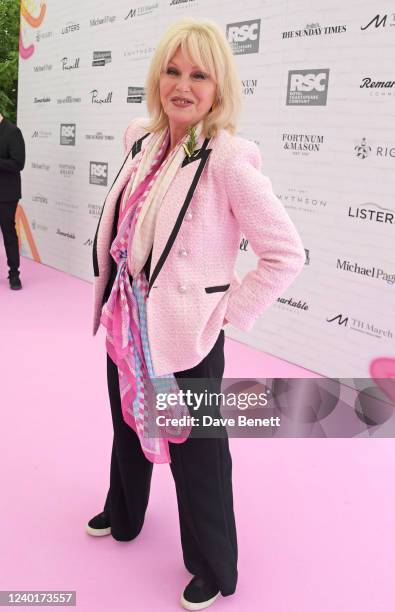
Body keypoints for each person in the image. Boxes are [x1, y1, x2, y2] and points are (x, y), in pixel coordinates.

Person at [88, 17, 305, 611]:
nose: (183, 85)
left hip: (185, 335)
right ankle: (125, 513)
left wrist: (222, 314)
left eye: (199, 75)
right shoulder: (142, 137)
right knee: (129, 424)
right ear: (158, 75)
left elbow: (285, 254)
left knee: (199, 458)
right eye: (173, 70)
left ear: (219, 86)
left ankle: (213, 563)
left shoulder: (230, 159)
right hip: (128, 319)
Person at [0, 111, 25, 290]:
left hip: (6, 194)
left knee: (8, 232)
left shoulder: (13, 132)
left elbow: (18, 163)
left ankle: (14, 274)